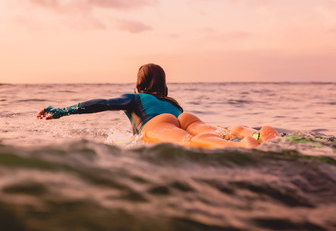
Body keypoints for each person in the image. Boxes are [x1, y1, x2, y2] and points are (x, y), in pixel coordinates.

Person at [37, 63, 279, 148]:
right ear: (163, 84)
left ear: (139, 84)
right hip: (186, 117)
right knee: (218, 132)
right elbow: (182, 122)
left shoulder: (136, 99)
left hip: (156, 126)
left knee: (187, 142)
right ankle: (252, 133)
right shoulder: (171, 103)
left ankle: (239, 148)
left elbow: (102, 103)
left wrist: (61, 111)